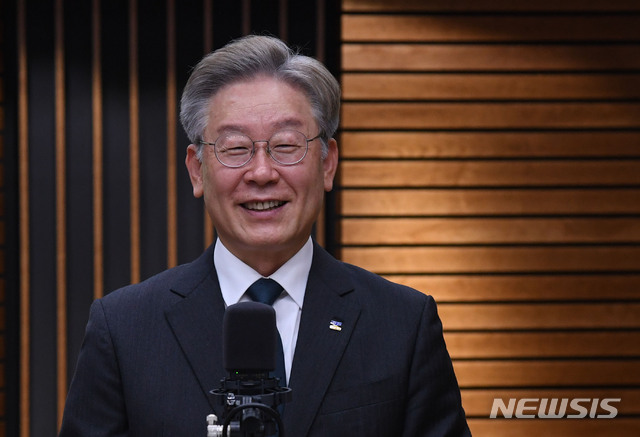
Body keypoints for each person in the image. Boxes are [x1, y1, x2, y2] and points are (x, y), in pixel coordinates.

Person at [59, 35, 471, 437]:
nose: (261, 173)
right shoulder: (124, 329)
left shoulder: (402, 324)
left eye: (286, 145)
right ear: (197, 170)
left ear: (327, 163)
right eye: (235, 148)